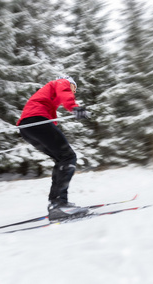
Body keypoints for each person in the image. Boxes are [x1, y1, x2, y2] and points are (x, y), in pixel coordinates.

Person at [17, 76, 90, 221]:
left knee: (61, 158)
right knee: (68, 157)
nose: (73, 92)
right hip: (36, 121)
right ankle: (58, 203)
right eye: (74, 88)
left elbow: (51, 119)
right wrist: (74, 107)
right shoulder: (62, 82)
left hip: (27, 128)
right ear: (70, 83)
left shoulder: (48, 100)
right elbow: (65, 91)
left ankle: (55, 203)